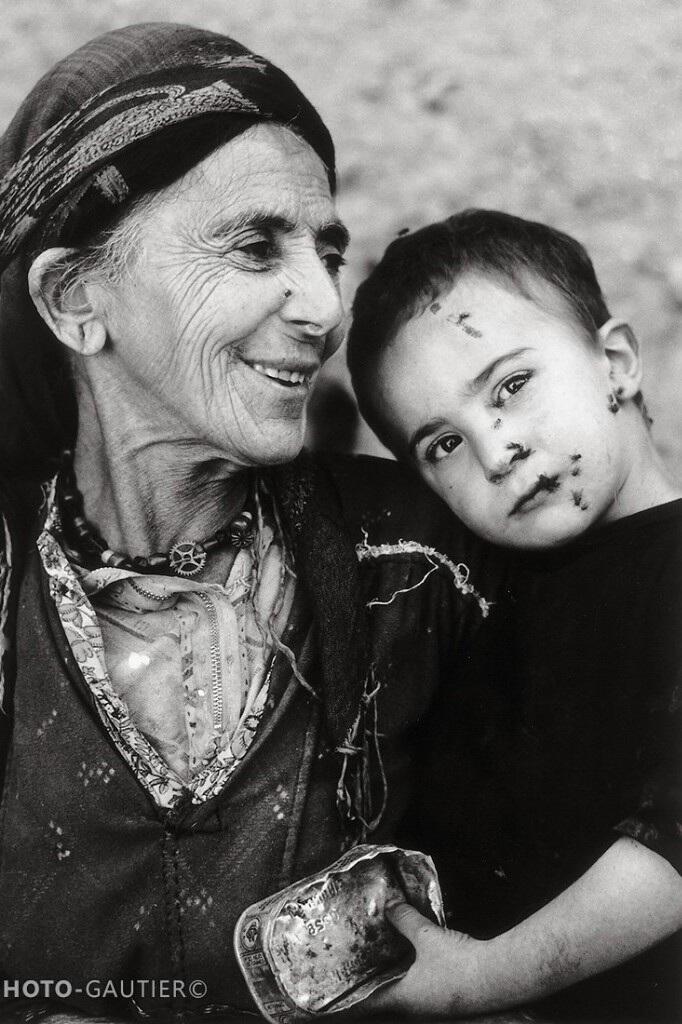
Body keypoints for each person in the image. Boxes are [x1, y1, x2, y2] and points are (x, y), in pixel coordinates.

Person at [0, 29, 502, 1019]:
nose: (322, 307)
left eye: (327, 253)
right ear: (73, 298)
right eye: (255, 245)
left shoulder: (418, 563)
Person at [347, 209, 682, 1019]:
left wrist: (479, 981)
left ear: (616, 362)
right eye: (443, 445)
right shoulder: (477, 594)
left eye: (511, 386)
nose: (498, 451)